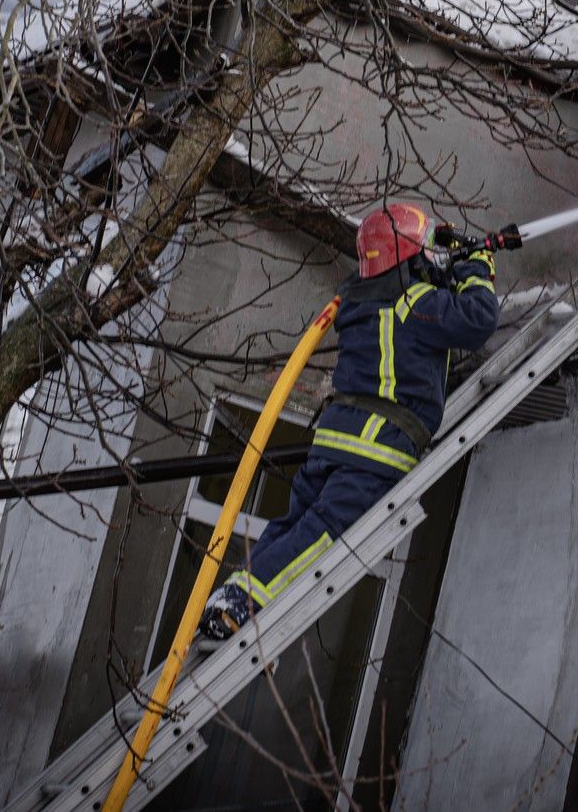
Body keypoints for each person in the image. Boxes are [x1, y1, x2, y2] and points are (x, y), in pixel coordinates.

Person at [199, 202, 502, 641]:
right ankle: (244, 605)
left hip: (335, 441)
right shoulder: (413, 302)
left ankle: (234, 595)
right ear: (409, 255)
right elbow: (477, 319)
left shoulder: (362, 302)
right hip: (375, 448)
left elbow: (426, 321)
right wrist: (477, 269)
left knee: (293, 523)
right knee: (325, 531)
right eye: (423, 251)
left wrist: (447, 264)